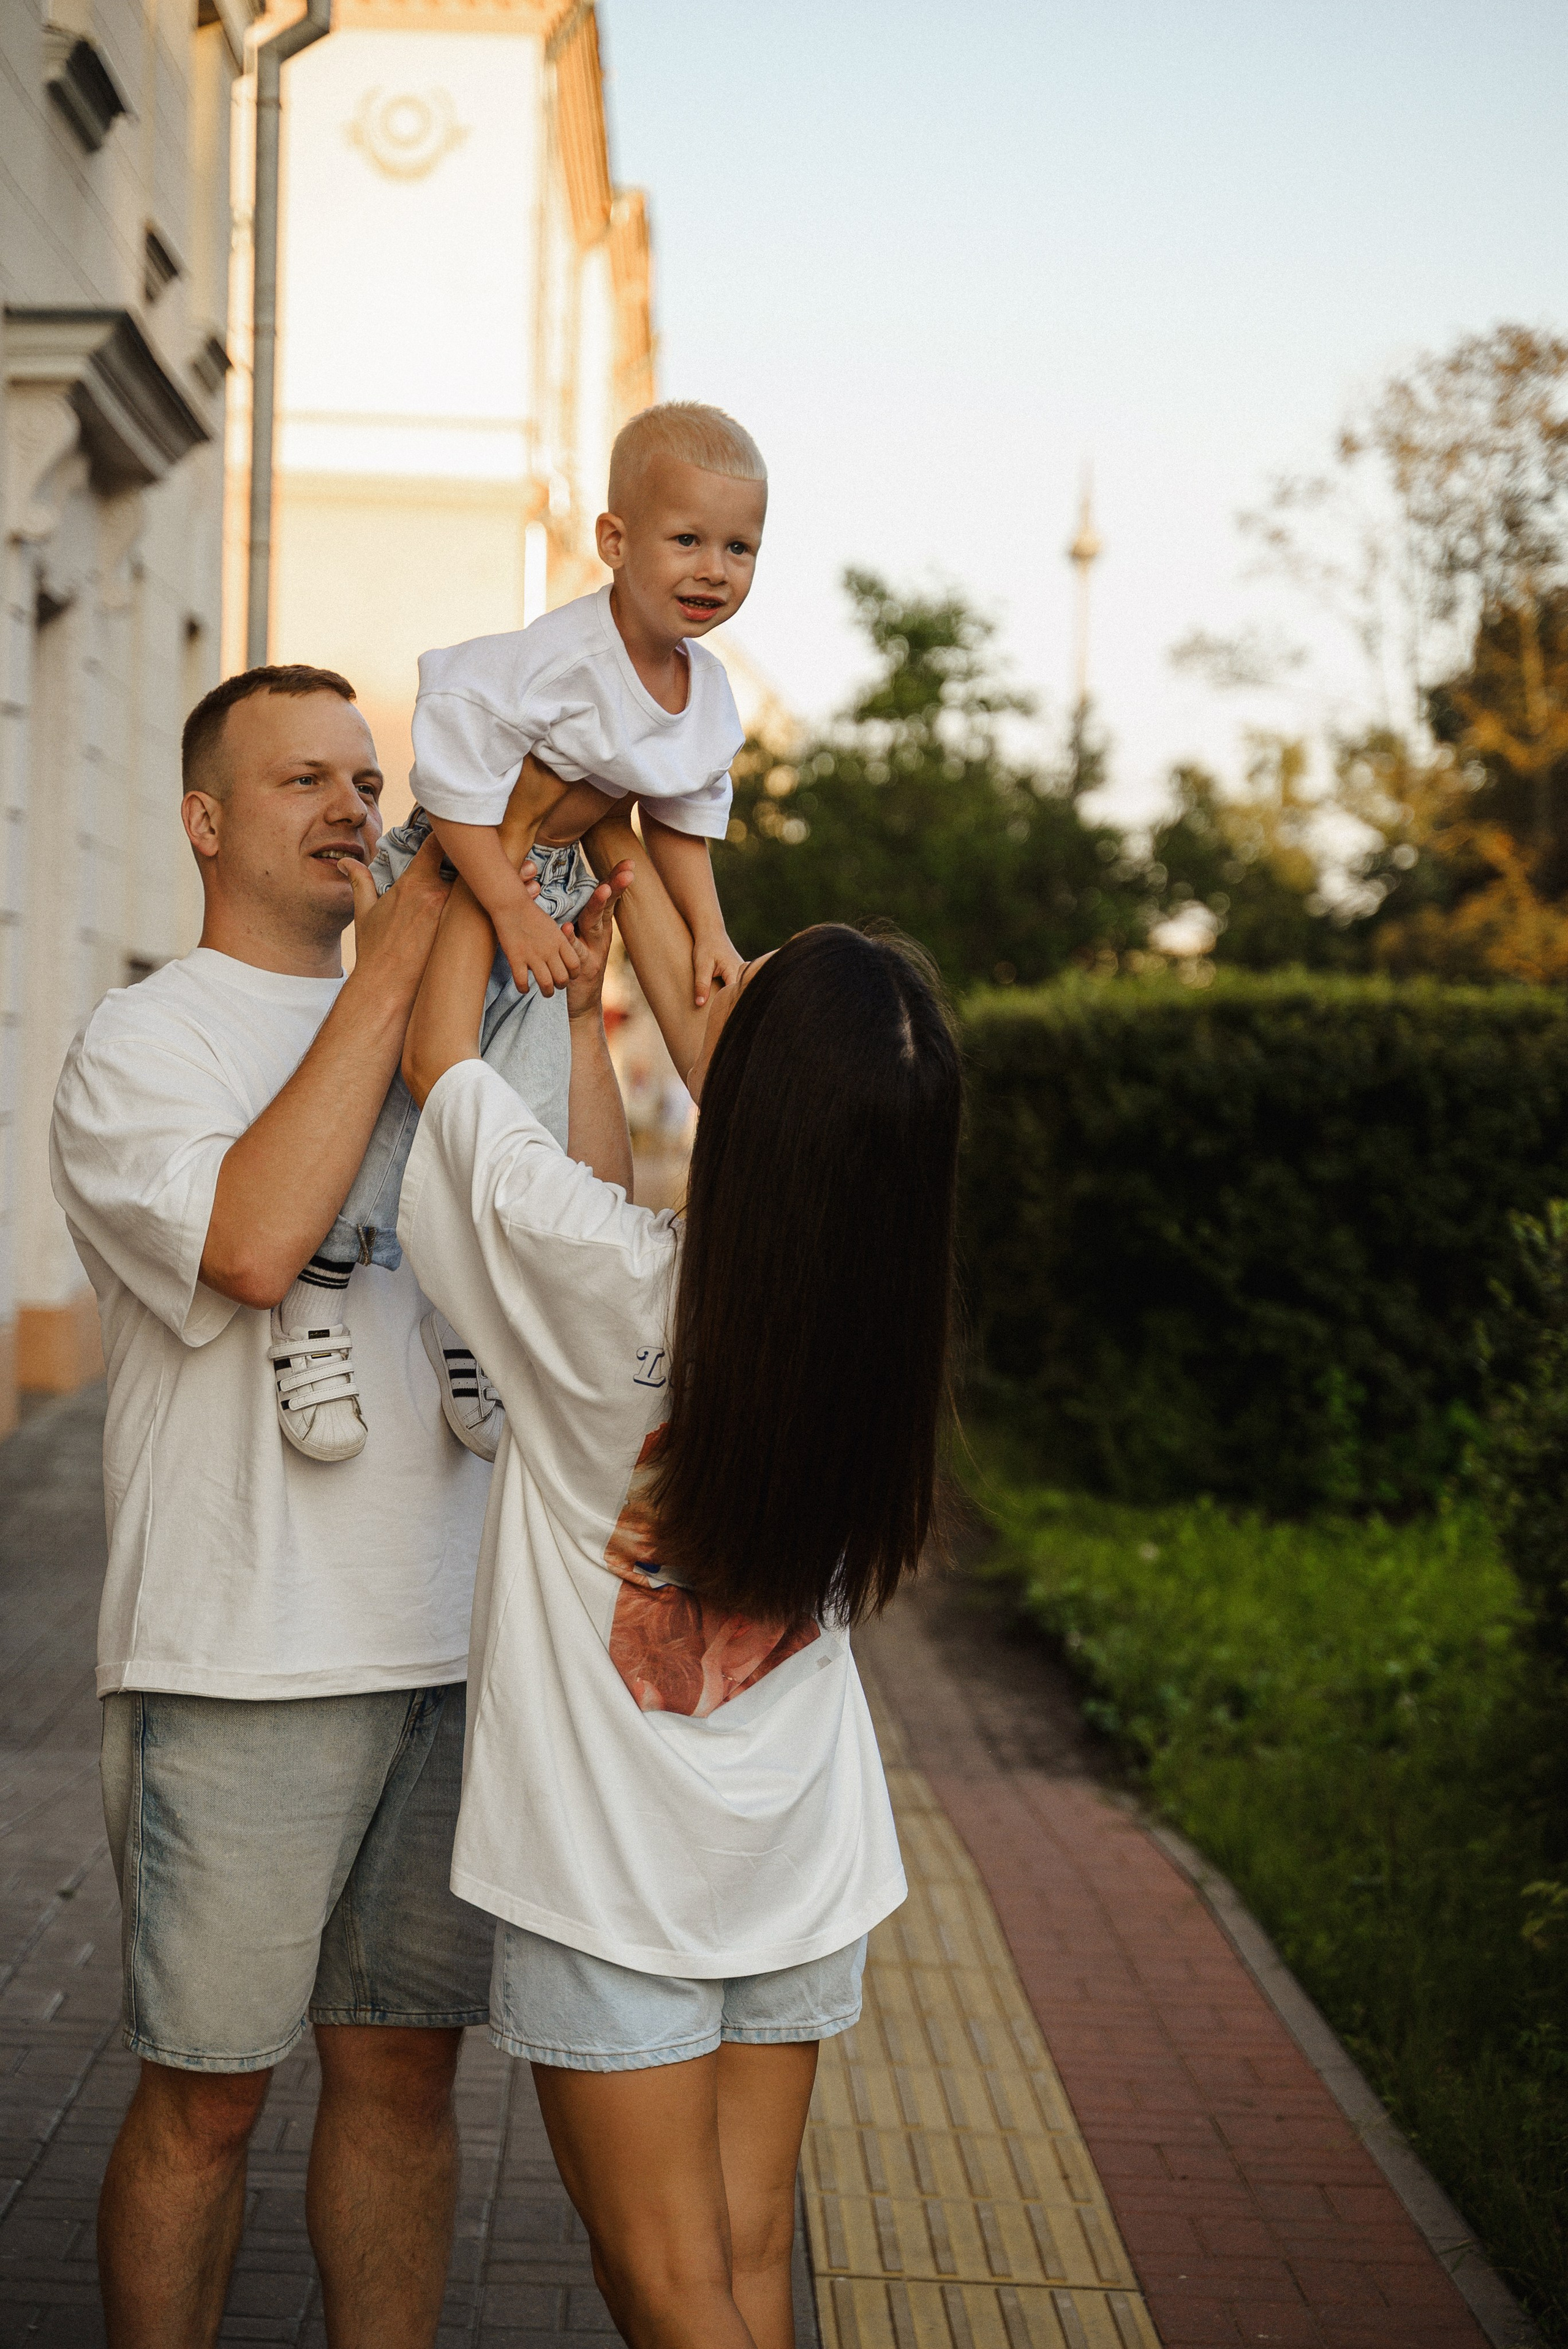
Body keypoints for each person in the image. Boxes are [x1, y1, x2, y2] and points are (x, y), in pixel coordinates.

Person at [394, 805, 963, 2349]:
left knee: (661, 2279)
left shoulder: (601, 1287)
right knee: (743, 2252)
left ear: (755, 1108)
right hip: (795, 1860)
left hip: (614, 1872)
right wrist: (608, 957)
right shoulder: (880, 1326)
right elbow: (721, 1124)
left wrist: (495, 843)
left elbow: (440, 1055)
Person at [47, 665, 537, 2349]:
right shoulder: (143, 1040)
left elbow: (579, 1235)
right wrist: (405, 950)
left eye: (369, 774)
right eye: (301, 781)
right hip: (239, 1663)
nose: (352, 805)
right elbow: (256, 1246)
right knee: (208, 2102)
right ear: (204, 820)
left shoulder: (442, 1012)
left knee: (405, 2082)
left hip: (448, 1644)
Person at [270, 401, 765, 1464]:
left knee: (517, 1112)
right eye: (688, 540)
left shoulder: (705, 692)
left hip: (540, 890)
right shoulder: (562, 656)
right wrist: (501, 900)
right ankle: (316, 1292)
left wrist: (712, 932)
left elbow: (680, 818)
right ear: (616, 543)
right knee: (409, 1093)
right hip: (464, 866)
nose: (714, 569)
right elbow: (451, 764)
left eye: (740, 548)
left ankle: (462, 1312)